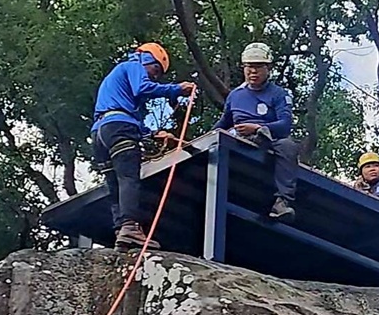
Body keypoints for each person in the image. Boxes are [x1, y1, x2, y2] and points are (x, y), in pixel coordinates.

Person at [92, 43, 196, 249]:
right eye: (155, 69)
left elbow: (127, 113)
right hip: (119, 126)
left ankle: (121, 230)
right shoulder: (133, 66)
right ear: (146, 58)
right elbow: (143, 88)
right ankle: (130, 227)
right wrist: (176, 89)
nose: (154, 76)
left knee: (114, 184)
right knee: (129, 177)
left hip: (100, 132)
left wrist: (153, 134)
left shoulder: (116, 80)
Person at [214, 42, 299, 223]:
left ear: (268, 68)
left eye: (258, 67)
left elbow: (285, 124)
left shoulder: (278, 94)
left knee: (288, 146)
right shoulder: (235, 95)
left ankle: (282, 202)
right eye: (249, 67)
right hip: (238, 138)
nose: (253, 71)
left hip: (268, 139)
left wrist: (259, 128)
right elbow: (223, 123)